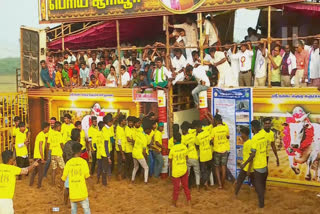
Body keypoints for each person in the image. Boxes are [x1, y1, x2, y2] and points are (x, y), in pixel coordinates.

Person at [0, 150, 38, 214]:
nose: (14, 161)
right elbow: (26, 170)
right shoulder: (13, 169)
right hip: (6, 200)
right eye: (13, 159)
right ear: (10, 159)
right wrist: (33, 165)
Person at [241, 120, 268, 208]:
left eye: (251, 127)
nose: (251, 129)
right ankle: (262, 200)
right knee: (262, 184)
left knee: (259, 186)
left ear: (253, 127)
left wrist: (245, 164)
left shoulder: (255, 139)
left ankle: (261, 204)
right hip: (264, 164)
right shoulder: (264, 135)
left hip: (258, 165)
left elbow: (253, 154)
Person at [62, 143, 91, 214]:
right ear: (80, 152)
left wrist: (61, 186)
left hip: (73, 193)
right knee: (86, 209)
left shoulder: (68, 163)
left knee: (74, 210)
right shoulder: (83, 162)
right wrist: (93, 187)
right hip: (82, 192)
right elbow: (87, 177)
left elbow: (63, 178)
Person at [169, 132, 191, 207]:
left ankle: (174, 204)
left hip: (176, 171)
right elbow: (187, 158)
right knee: (186, 187)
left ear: (174, 140)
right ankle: (189, 202)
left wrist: (171, 170)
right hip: (184, 169)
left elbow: (170, 161)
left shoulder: (172, 149)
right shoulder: (184, 147)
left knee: (176, 188)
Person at [211, 114, 230, 189]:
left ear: (216, 121)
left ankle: (219, 184)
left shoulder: (214, 130)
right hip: (224, 150)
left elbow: (211, 140)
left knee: (216, 167)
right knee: (223, 167)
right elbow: (228, 137)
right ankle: (223, 183)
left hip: (217, 150)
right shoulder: (226, 128)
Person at [30, 122, 50, 188]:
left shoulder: (40, 134)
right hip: (39, 156)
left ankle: (31, 183)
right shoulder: (41, 135)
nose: (48, 129)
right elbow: (40, 147)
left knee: (35, 171)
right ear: (45, 128)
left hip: (36, 155)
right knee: (40, 172)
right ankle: (39, 185)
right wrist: (42, 158)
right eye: (48, 128)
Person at [234, 126, 254, 196]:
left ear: (245, 134)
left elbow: (252, 157)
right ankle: (235, 195)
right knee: (239, 181)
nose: (240, 135)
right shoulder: (246, 143)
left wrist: (249, 169)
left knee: (255, 184)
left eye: (241, 133)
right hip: (245, 167)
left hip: (249, 168)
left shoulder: (249, 143)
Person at [131, 118, 151, 184]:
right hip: (139, 154)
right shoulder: (144, 138)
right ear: (147, 130)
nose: (150, 131)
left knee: (135, 167)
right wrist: (145, 157)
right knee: (146, 167)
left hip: (134, 152)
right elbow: (144, 151)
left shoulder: (139, 134)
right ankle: (145, 181)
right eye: (149, 130)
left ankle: (132, 179)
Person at [181, 121, 200, 190]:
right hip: (195, 157)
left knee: (187, 174)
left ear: (183, 130)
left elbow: (183, 148)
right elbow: (197, 144)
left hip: (188, 158)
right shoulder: (193, 135)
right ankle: (198, 187)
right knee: (197, 173)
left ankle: (186, 186)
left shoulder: (183, 138)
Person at [194, 120, 212, 188]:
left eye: (196, 128)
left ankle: (205, 182)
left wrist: (196, 135)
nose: (196, 129)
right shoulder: (207, 133)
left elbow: (197, 147)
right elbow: (210, 142)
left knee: (203, 170)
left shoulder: (198, 136)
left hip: (203, 155)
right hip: (209, 154)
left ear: (198, 128)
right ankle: (206, 182)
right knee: (209, 169)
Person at [50, 121, 65, 186]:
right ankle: (62, 183)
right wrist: (64, 151)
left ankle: (53, 183)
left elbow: (48, 144)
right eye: (60, 127)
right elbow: (61, 144)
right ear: (58, 127)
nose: (61, 128)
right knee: (63, 169)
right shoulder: (59, 134)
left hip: (52, 153)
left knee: (54, 169)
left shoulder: (51, 133)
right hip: (58, 153)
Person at [98, 121, 112, 186]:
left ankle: (104, 182)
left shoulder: (102, 131)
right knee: (104, 168)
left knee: (103, 167)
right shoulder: (105, 131)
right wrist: (108, 157)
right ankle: (104, 182)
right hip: (105, 153)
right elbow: (106, 145)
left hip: (102, 152)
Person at [115, 115, 127, 180]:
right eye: (124, 120)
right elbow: (119, 143)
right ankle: (119, 175)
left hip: (124, 148)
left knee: (123, 163)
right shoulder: (119, 129)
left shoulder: (123, 128)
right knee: (120, 163)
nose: (125, 122)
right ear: (121, 121)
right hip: (120, 150)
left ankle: (122, 175)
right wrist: (122, 153)